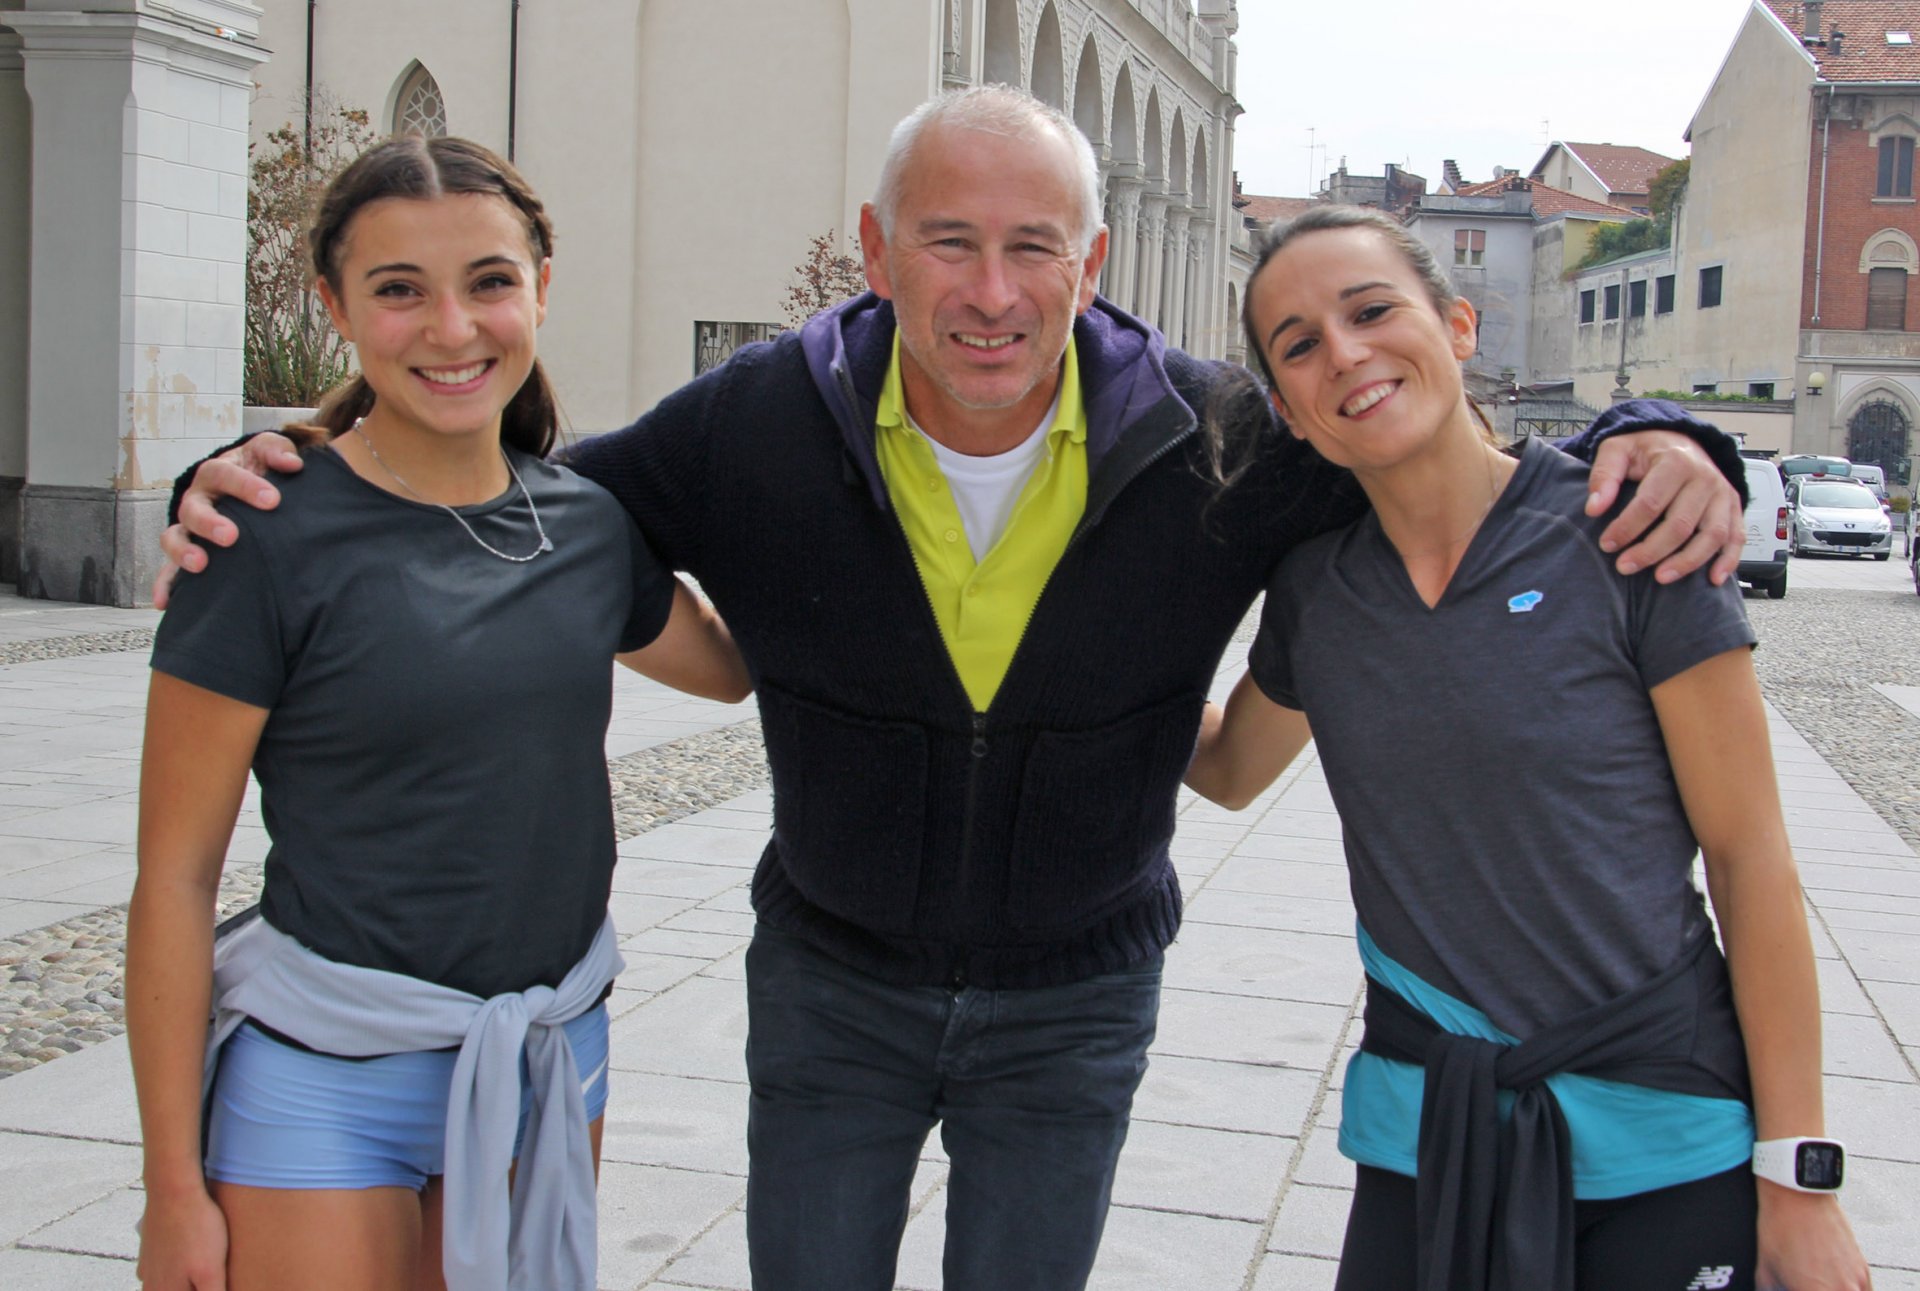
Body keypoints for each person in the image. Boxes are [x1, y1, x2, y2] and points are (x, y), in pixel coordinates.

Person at [158, 89, 1750, 1291]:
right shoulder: (755, 423)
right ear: (874, 248)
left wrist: (1670, 430)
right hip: (833, 991)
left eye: (1033, 246)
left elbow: (1428, 440)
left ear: (1093, 260)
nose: (991, 291)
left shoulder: (1221, 439)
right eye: (948, 241)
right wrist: (251, 466)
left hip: (1075, 1001)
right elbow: (499, 484)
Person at [1184, 205, 1870, 1291]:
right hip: (1426, 1128)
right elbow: (1226, 771)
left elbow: (1752, 862)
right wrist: (1098, 641)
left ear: (1457, 326)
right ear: (1291, 413)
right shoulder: (1318, 591)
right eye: (1301, 344)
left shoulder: (1631, 532)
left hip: (1662, 1126)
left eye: (1372, 310)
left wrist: (1798, 1178)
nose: (1346, 352)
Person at [129, 135, 750, 1291]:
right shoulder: (258, 534)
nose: (453, 329)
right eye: (399, 290)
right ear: (335, 306)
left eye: (490, 282)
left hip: (546, 1051)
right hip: (325, 1070)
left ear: (542, 289)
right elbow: (174, 876)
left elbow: (733, 668)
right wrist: (173, 1189)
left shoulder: (587, 525)